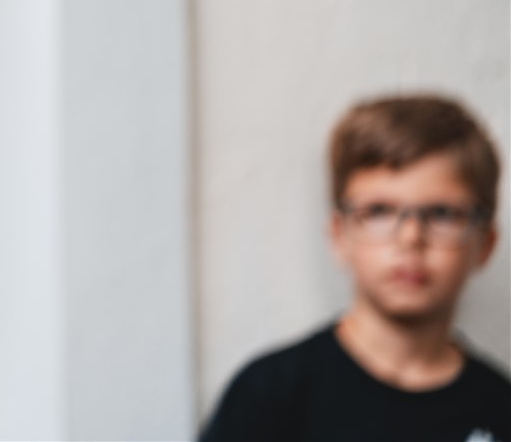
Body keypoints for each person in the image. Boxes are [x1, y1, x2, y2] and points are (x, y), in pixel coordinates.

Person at [200, 93, 511, 441]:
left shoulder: (500, 410)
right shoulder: (268, 395)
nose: (410, 237)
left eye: (442, 214)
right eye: (379, 211)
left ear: (486, 244)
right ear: (339, 235)